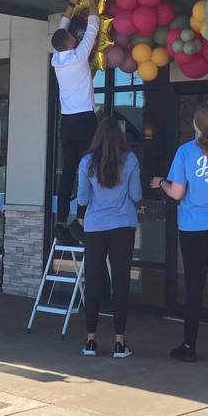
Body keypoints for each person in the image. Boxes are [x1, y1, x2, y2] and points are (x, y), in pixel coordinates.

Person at [152, 103, 208, 363]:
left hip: (193, 227)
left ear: (196, 124)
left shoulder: (185, 152)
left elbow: (177, 193)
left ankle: (189, 347)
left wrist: (161, 183)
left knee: (194, 286)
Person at [76, 116, 141, 358]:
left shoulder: (86, 162)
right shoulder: (131, 159)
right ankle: (119, 343)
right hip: (123, 224)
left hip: (94, 227)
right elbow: (136, 195)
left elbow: (82, 199)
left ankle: (90, 341)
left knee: (93, 282)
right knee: (120, 282)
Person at [51, 0, 100, 244]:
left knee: (69, 170)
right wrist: (92, 1)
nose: (74, 36)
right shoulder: (79, 56)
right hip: (84, 120)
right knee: (88, 166)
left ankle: (61, 220)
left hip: (66, 122)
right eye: (72, 36)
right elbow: (92, 29)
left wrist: (73, 0)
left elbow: (62, 26)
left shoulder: (56, 59)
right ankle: (81, 218)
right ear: (69, 43)